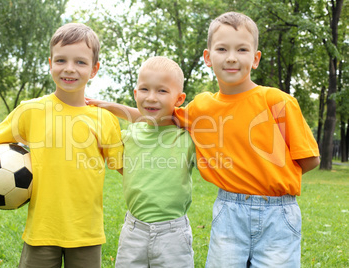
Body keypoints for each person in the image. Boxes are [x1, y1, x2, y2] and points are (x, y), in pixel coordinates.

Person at [87, 12, 320, 267]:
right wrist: (111, 106)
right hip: (229, 209)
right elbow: (156, 117)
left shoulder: (277, 101)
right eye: (222, 49)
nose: (231, 57)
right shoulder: (202, 107)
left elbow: (309, 160)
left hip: (278, 212)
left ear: (255, 59)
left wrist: (262, 176)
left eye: (242, 49)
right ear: (208, 57)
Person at [0, 23, 123, 268]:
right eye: (61, 61)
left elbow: (124, 168)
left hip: (86, 232)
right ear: (50, 63)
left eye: (80, 62)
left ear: (94, 69)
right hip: (42, 229)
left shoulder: (104, 119)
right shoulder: (31, 110)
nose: (69, 69)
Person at [93, 56, 195, 267]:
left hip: (173, 233)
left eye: (162, 91)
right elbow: (139, 119)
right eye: (145, 89)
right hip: (134, 231)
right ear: (135, 93)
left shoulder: (186, 136)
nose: (151, 98)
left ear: (179, 99)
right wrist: (108, 107)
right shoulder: (129, 135)